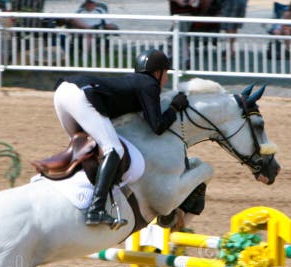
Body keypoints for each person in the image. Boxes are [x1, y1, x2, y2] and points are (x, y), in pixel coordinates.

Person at [52, 49, 189, 227]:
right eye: (166, 73)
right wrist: (175, 108)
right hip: (80, 95)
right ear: (158, 73)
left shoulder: (135, 81)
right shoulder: (150, 84)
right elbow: (157, 126)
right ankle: (96, 210)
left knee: (85, 147)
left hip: (63, 91)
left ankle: (75, 190)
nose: (167, 79)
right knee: (114, 149)